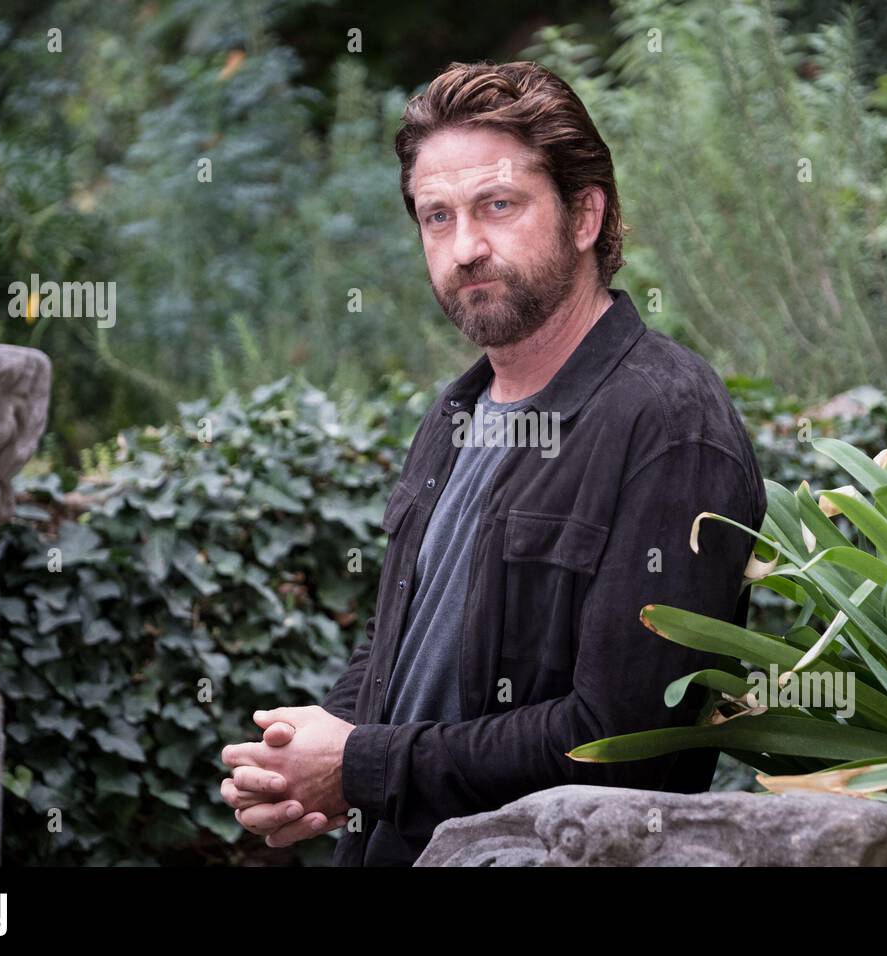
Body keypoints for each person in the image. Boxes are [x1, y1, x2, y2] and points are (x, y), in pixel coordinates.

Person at [219, 60, 766, 866]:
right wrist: (303, 757)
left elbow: (621, 738)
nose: (466, 247)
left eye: (498, 206)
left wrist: (361, 766)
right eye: (436, 218)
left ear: (585, 215)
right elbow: (407, 640)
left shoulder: (666, 422)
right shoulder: (457, 413)